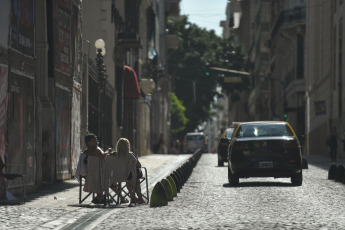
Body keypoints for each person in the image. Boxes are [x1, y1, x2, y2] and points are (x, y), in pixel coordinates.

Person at [110, 138, 146, 206]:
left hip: (118, 175)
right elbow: (139, 165)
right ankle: (139, 198)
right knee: (135, 175)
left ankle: (129, 197)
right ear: (128, 146)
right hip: (130, 176)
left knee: (131, 177)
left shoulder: (114, 155)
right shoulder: (131, 155)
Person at [82, 133, 106, 204]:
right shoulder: (93, 151)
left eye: (96, 140)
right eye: (94, 140)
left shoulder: (96, 150)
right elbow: (103, 157)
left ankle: (99, 197)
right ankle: (99, 197)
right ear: (88, 143)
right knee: (110, 180)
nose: (96, 141)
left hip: (98, 173)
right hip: (94, 174)